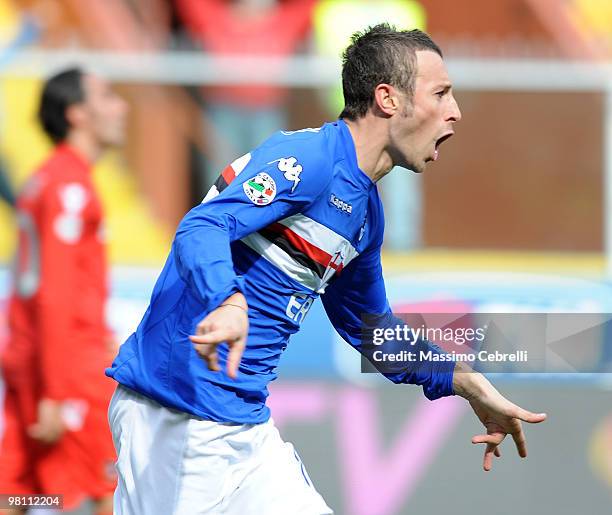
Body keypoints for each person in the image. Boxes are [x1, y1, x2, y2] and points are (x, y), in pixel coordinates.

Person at [106, 24, 547, 514]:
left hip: (243, 428)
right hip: (176, 415)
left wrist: (464, 381)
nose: (455, 111)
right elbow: (203, 226)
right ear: (388, 99)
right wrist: (227, 300)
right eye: (440, 93)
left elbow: (372, 332)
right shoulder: (309, 159)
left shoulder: (365, 215)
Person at [0, 68, 128, 515]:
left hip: (31, 359)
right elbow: (54, 293)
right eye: (108, 95)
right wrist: (55, 392)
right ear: (77, 114)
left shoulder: (45, 179)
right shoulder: (70, 188)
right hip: (67, 369)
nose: (121, 106)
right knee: (102, 494)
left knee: (20, 493)